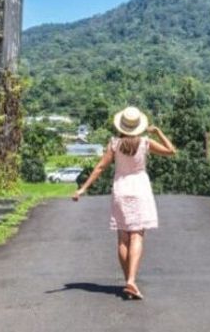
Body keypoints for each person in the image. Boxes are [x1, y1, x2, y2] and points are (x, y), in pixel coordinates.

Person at [72, 106, 177, 300]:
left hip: (121, 189)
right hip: (140, 189)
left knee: (122, 237)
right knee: (137, 235)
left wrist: (83, 188)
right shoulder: (146, 142)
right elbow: (171, 151)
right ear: (140, 126)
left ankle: (128, 281)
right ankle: (131, 280)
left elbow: (100, 167)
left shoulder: (114, 143)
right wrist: (159, 132)